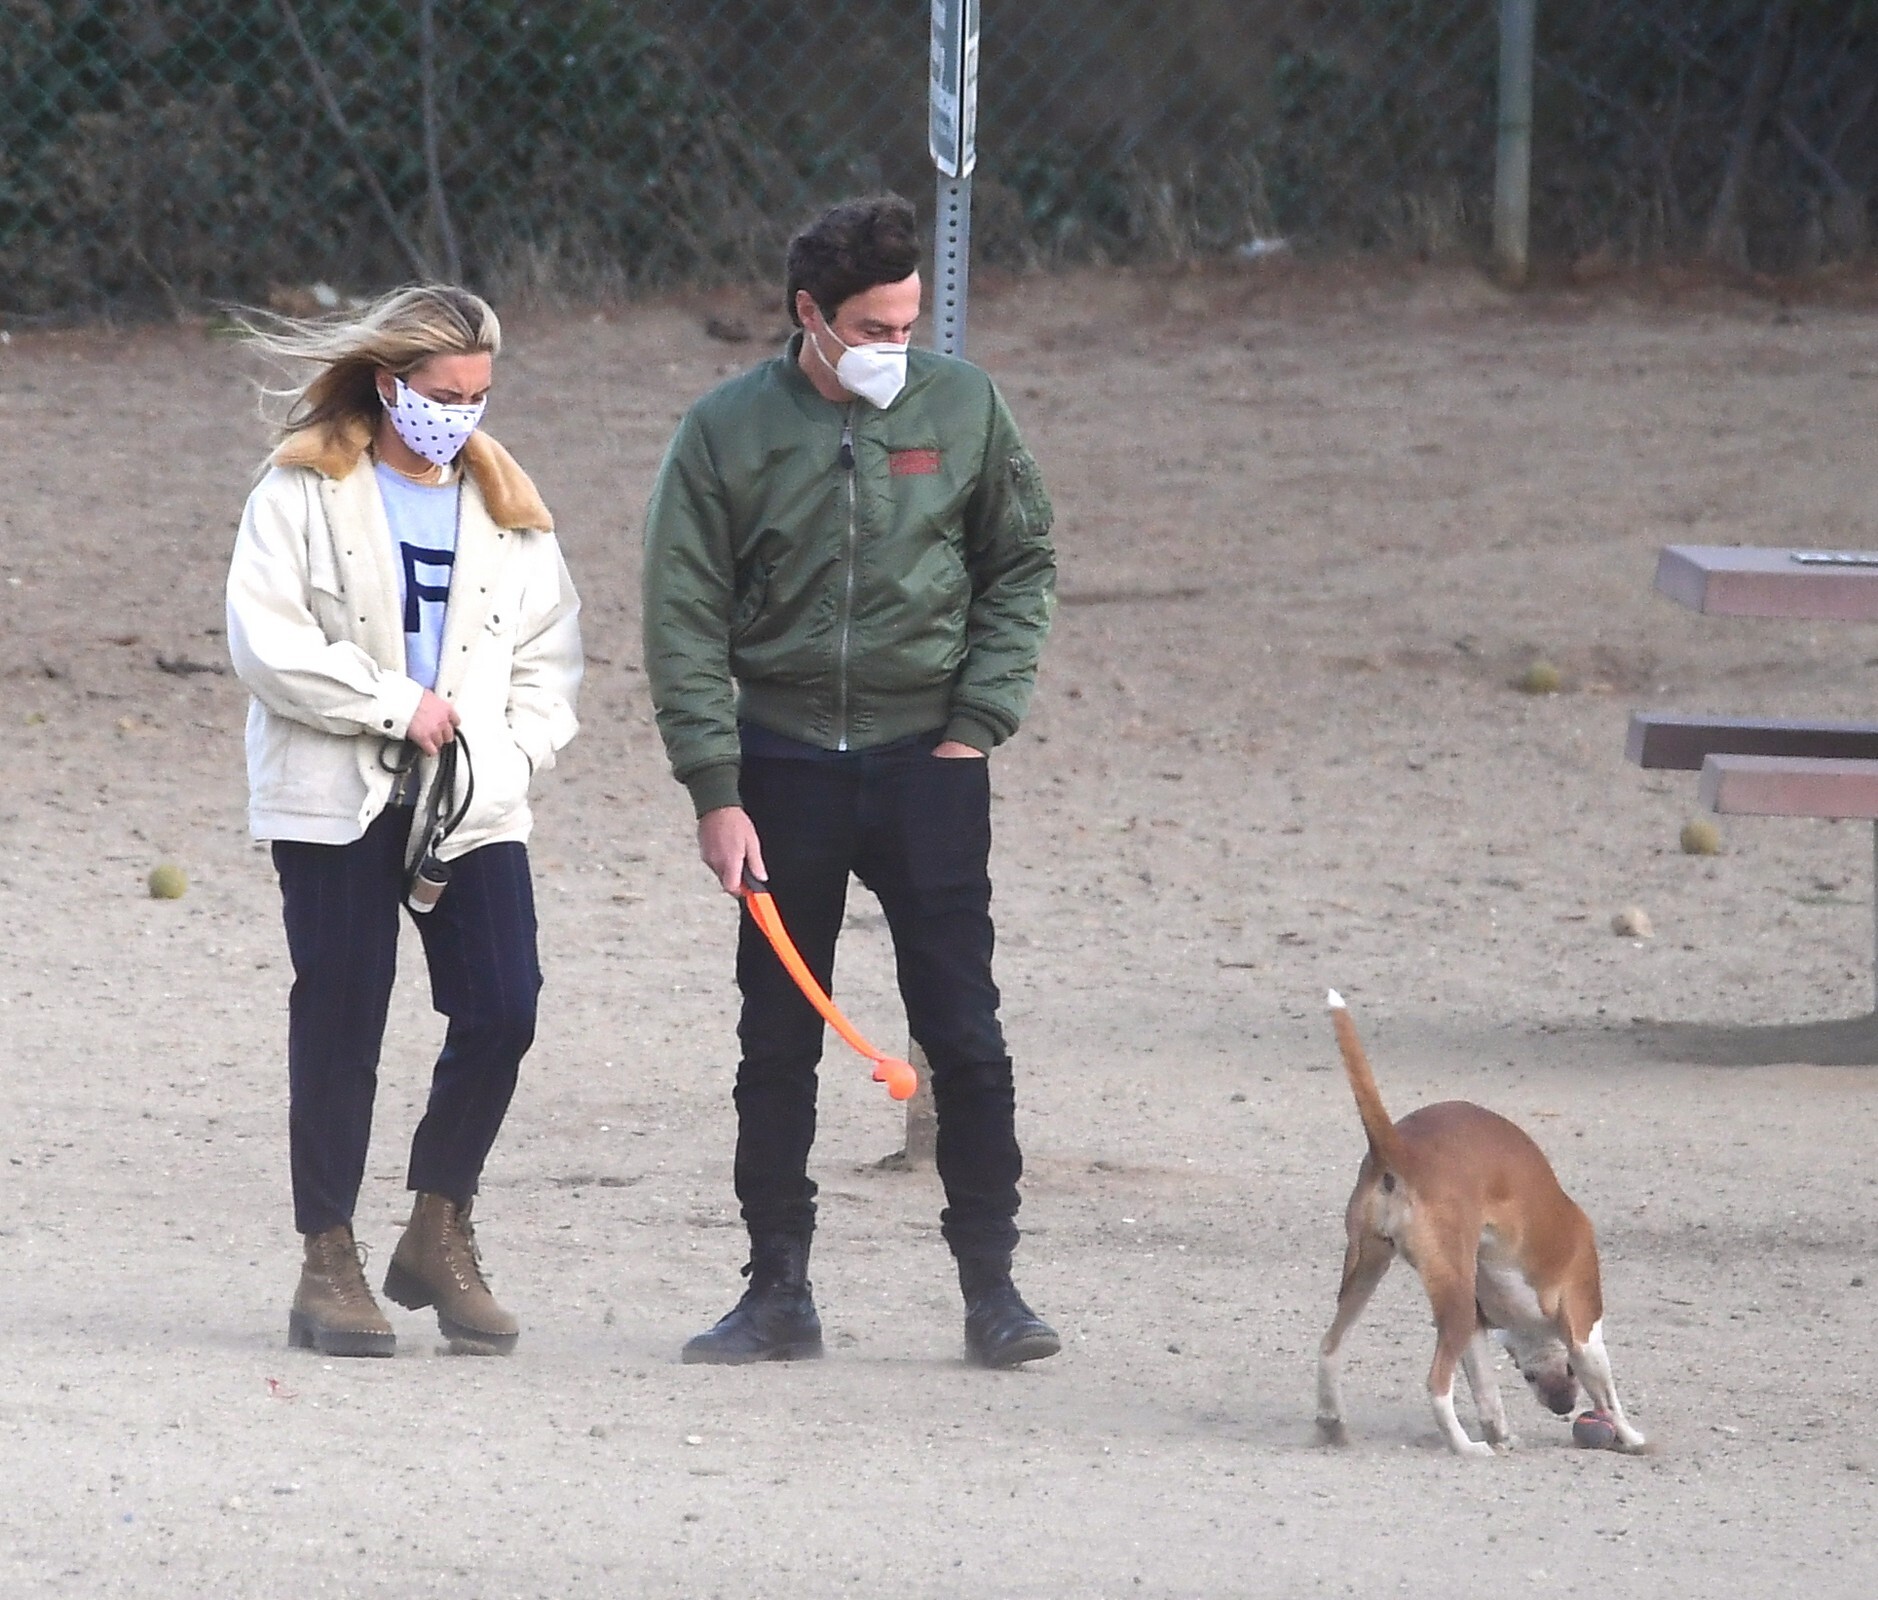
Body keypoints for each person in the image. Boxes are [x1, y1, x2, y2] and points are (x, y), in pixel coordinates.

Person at [641, 195, 1059, 1367]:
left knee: (964, 1031)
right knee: (776, 1039)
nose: (896, 347)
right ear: (810, 316)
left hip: (928, 760)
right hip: (780, 766)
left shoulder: (964, 407)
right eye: (873, 328)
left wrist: (978, 721)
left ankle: (994, 1291)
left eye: (909, 325)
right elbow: (681, 613)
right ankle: (777, 1288)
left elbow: (1022, 561)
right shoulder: (724, 430)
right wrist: (714, 787)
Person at [226, 285, 582, 1358]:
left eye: (478, 395)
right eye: (443, 394)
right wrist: (394, 705)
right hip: (332, 793)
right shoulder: (300, 486)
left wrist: (505, 757)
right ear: (390, 386)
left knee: (505, 1005)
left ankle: (439, 1226)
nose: (461, 414)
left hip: (471, 800)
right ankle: (326, 1258)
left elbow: (549, 661)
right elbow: (266, 641)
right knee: (342, 1014)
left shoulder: (512, 509)